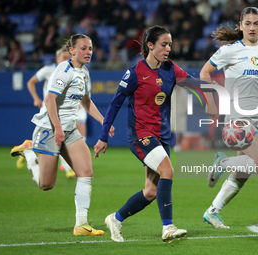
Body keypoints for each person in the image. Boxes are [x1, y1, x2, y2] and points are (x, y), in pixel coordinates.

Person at [94, 25, 192, 243]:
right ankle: (168, 227)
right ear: (150, 45)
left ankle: (115, 219)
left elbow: (193, 83)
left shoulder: (171, 69)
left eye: (170, 45)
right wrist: (103, 136)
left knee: (150, 191)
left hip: (162, 136)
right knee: (168, 170)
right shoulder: (134, 73)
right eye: (163, 44)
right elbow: (114, 105)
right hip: (141, 135)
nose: (168, 49)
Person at [10, 34, 114, 236]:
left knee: (86, 172)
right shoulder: (63, 69)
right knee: (46, 184)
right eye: (83, 48)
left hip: (69, 129)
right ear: (72, 50)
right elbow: (49, 100)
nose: (88, 52)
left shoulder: (84, 73)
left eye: (90, 48)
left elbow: (85, 101)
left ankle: (81, 225)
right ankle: (30, 154)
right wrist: (57, 128)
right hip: (49, 128)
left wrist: (104, 121)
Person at [200, 7, 258, 228]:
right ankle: (223, 161)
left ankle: (213, 211)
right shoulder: (230, 50)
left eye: (256, 23)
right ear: (240, 26)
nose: (252, 27)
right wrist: (210, 101)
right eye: (247, 23)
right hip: (238, 117)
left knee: (244, 171)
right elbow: (204, 73)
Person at [24, 48, 76, 178]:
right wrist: (36, 98)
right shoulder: (48, 70)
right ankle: (68, 169)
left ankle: (29, 152)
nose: (66, 60)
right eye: (63, 57)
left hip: (63, 113)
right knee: (60, 140)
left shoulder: (71, 72)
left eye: (68, 57)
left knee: (57, 144)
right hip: (49, 112)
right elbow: (31, 82)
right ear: (56, 58)